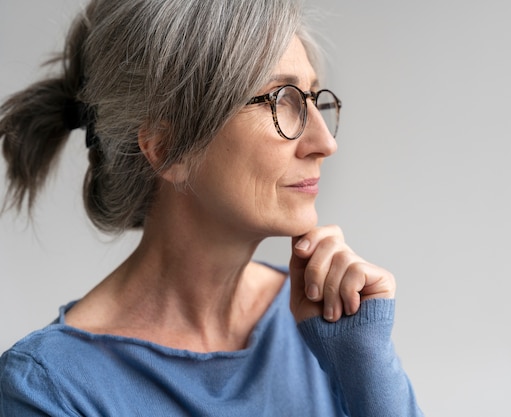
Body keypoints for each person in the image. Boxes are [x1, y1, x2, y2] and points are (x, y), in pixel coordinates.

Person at [0, 1, 424, 416]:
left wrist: (369, 370)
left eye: (313, 98)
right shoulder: (51, 390)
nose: (325, 144)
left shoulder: (332, 328)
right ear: (168, 149)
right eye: (282, 99)